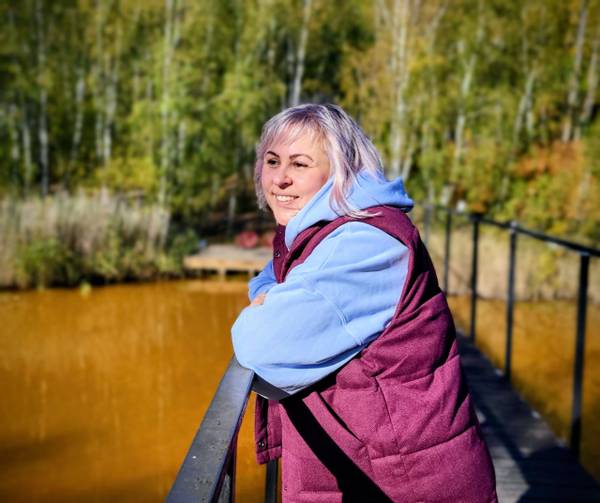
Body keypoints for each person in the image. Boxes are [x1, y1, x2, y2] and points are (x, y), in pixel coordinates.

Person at [231, 103, 497, 502]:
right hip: (375, 463)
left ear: (341, 169)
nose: (280, 178)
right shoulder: (319, 231)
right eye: (272, 161)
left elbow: (259, 345)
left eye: (299, 164)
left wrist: (267, 305)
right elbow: (268, 277)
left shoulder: (361, 244)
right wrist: (271, 295)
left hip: (405, 482)